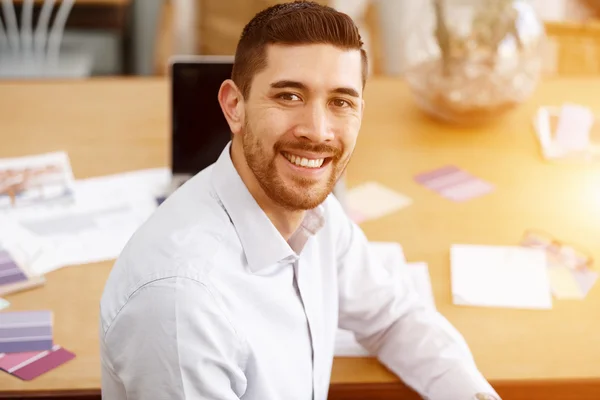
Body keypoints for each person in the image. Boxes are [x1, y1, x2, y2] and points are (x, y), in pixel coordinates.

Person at [99, 2, 501, 399]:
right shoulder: (181, 306)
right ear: (234, 107)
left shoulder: (314, 210)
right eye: (290, 96)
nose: (318, 131)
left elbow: (393, 318)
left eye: (341, 102)